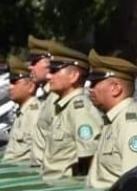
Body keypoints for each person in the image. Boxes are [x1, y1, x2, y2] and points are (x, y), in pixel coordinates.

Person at [85, 50, 137, 190]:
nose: (90, 89)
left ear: (116, 88)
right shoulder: (114, 119)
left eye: (95, 83)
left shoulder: (130, 125)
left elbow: (131, 185)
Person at [40, 42, 103, 179]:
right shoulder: (64, 107)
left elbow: (91, 159)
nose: (48, 76)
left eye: (54, 71)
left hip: (66, 188)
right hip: (53, 184)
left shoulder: (79, 110)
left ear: (73, 76)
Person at [2, 55, 41, 164]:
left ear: (31, 86)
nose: (10, 87)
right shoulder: (22, 112)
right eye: (10, 82)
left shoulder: (34, 115)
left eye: (15, 82)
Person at [28, 35, 56, 167]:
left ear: (48, 64)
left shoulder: (56, 98)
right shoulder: (46, 97)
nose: (30, 67)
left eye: (34, 62)